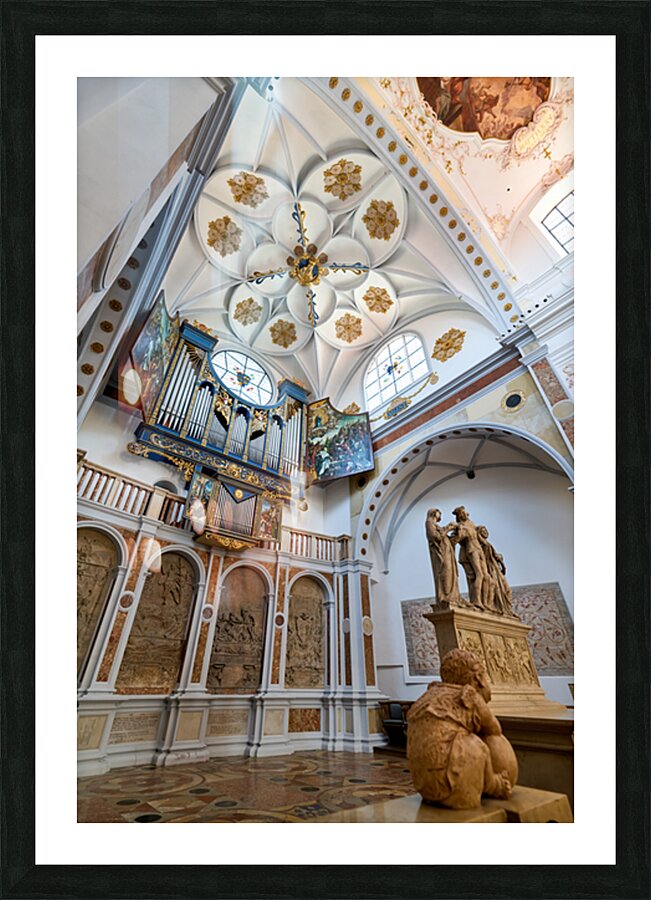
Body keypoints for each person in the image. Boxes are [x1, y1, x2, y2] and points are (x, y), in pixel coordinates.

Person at [407, 649, 517, 809]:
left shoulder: (429, 695)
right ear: (478, 678)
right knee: (477, 745)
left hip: (424, 783)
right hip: (453, 781)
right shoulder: (469, 697)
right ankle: (493, 784)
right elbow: (494, 729)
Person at [449, 506, 492, 609]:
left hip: (479, 550)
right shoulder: (461, 526)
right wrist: (456, 535)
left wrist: (486, 544)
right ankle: (476, 600)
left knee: (487, 577)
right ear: (459, 516)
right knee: (479, 575)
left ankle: (485, 603)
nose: (464, 514)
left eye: (464, 512)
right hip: (471, 550)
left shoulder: (471, 524)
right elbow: (457, 540)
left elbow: (478, 537)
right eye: (461, 513)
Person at [477, 524, 516, 616]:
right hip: (491, 568)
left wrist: (503, 566)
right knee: (498, 589)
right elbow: (494, 556)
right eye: (482, 530)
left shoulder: (487, 544)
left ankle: (508, 609)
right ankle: (499, 607)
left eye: (485, 530)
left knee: (507, 590)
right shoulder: (484, 544)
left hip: (496, 568)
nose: (485, 532)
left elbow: (496, 556)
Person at [425, 508, 461, 606]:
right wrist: (449, 527)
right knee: (446, 572)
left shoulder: (436, 525)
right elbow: (436, 537)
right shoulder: (429, 523)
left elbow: (444, 538)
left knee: (451, 573)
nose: (440, 513)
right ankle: (446, 596)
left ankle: (452, 597)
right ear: (433, 513)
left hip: (447, 552)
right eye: (438, 512)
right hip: (442, 554)